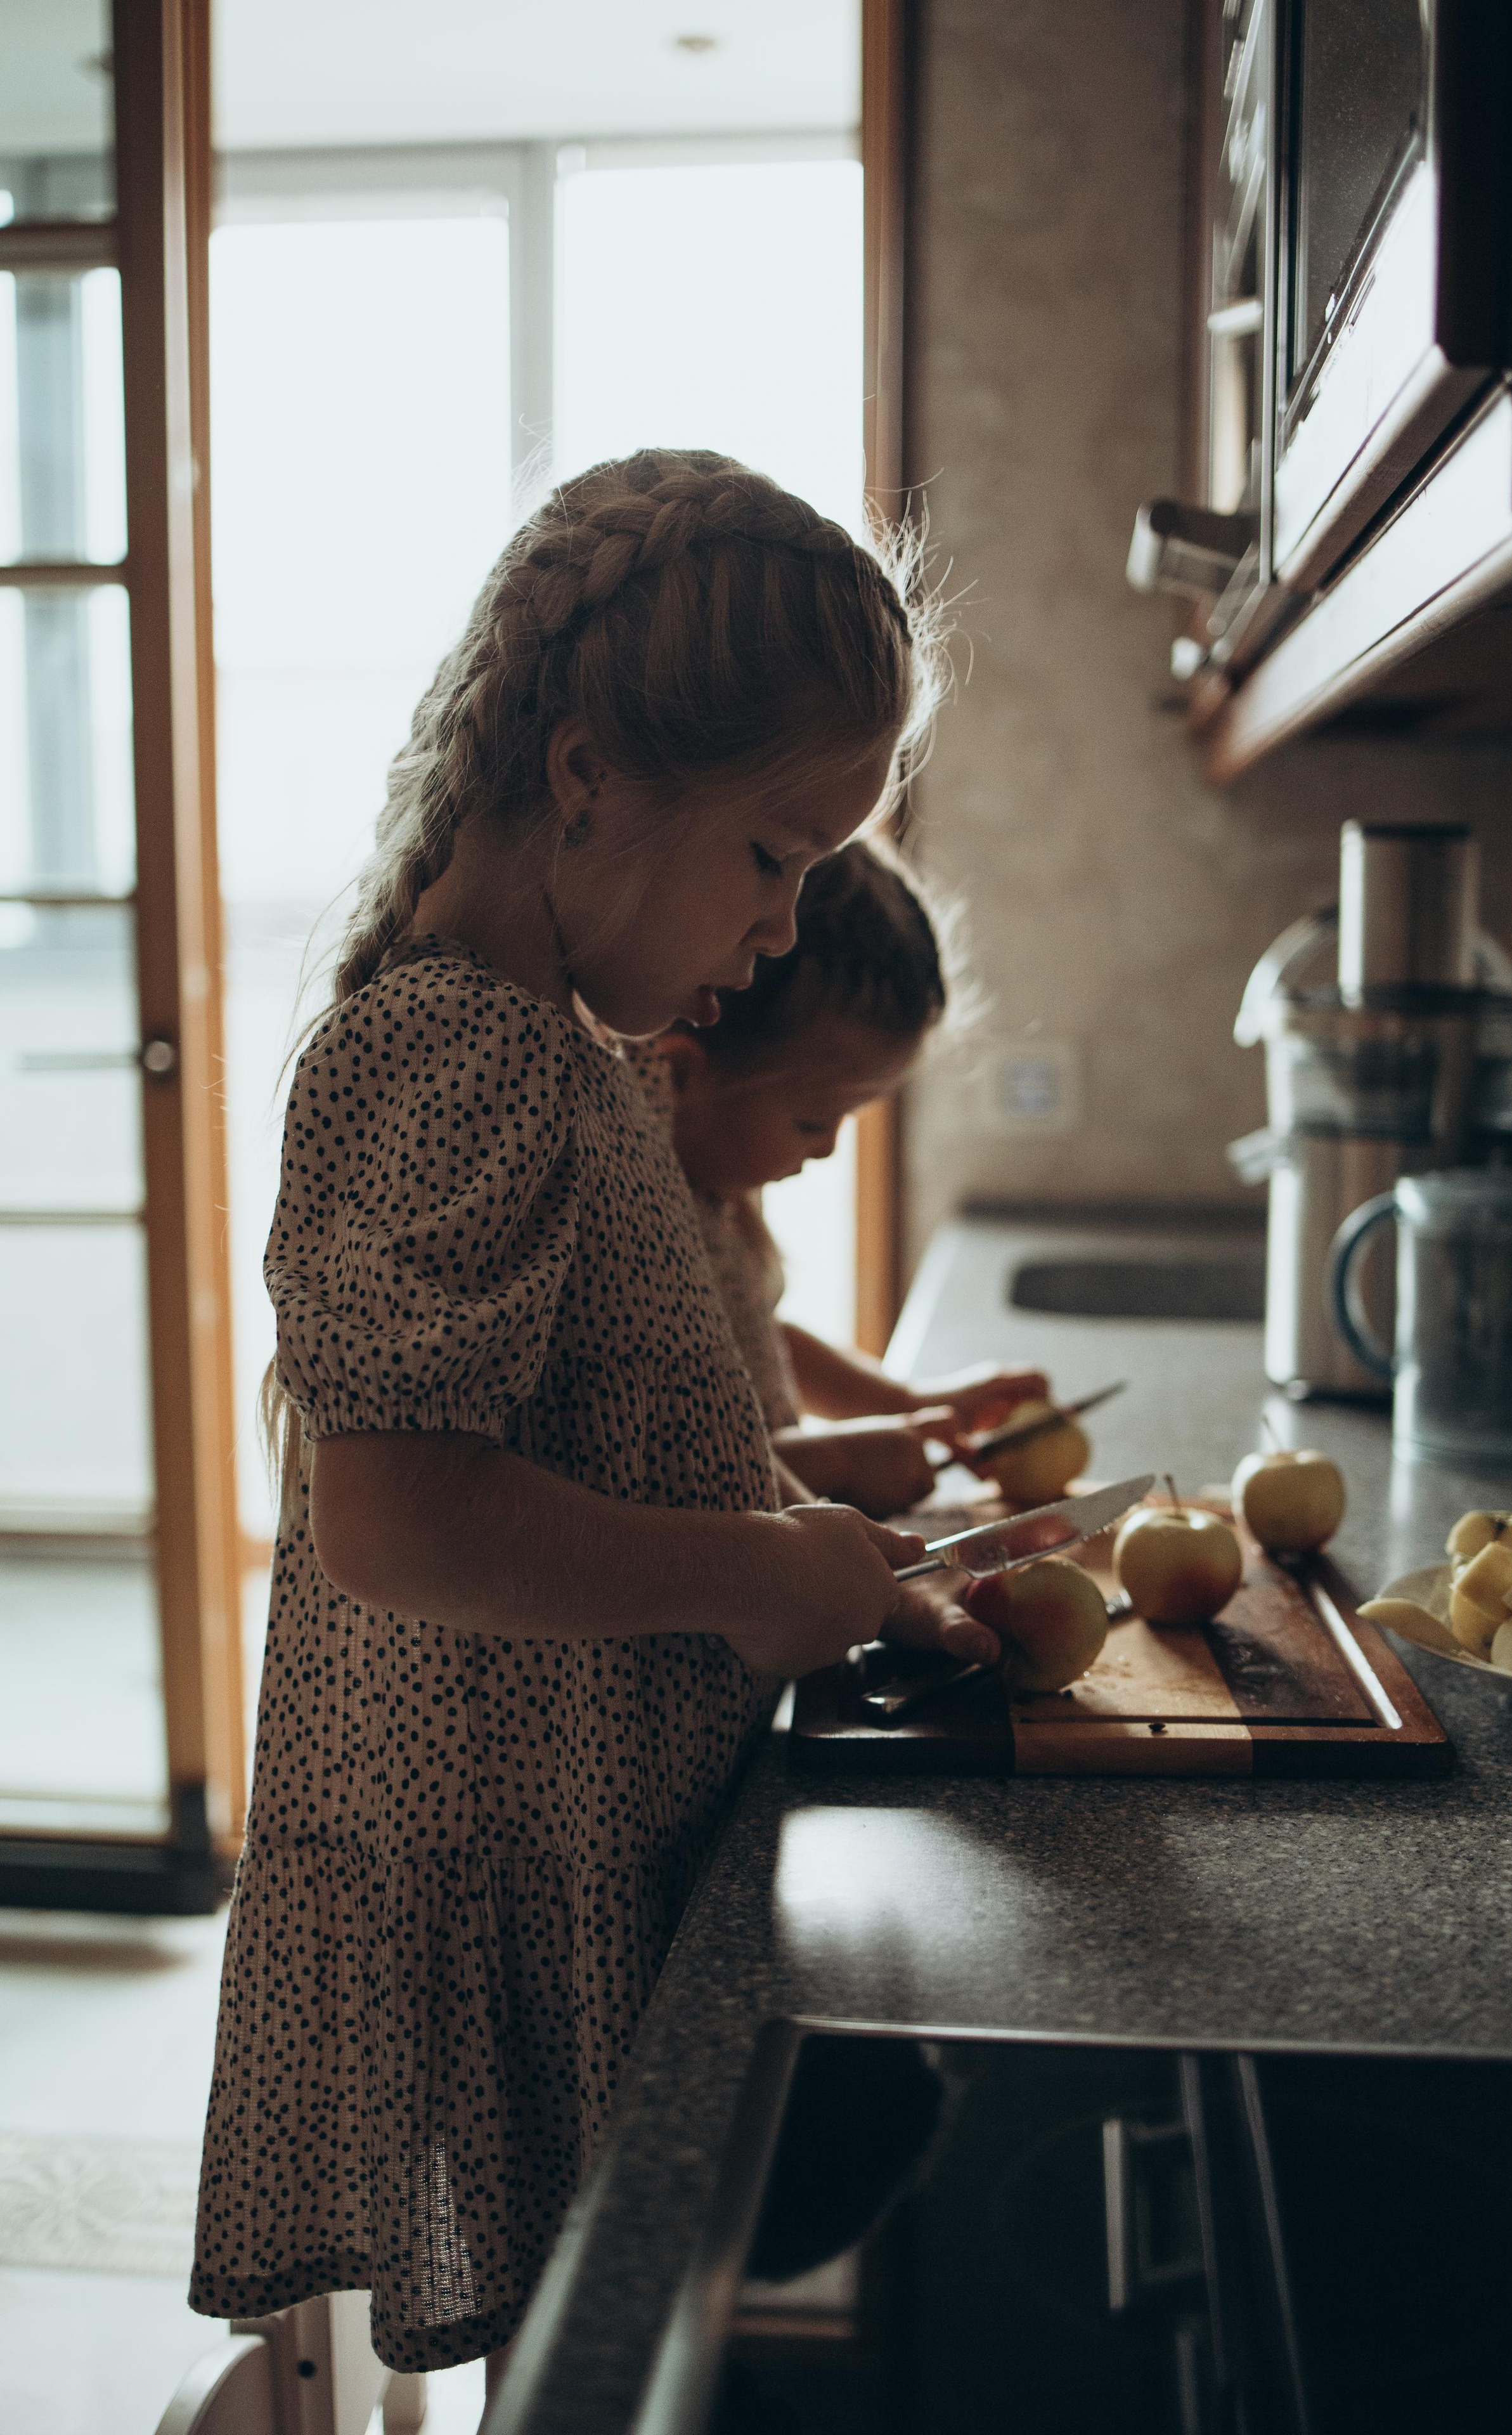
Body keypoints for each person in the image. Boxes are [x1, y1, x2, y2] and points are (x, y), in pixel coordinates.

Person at [187, 451, 1004, 2393]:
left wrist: (820, 1553)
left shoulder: (563, 1051)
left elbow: (612, 1439)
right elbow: (402, 1517)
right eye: (774, 856)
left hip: (580, 1847)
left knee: (593, 2346)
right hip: (507, 1877)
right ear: (584, 780)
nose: (784, 925)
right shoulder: (455, 1049)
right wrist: (752, 1572)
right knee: (574, 2365)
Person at [641, 840, 1050, 1516]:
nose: (831, 1149)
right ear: (683, 1076)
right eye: (812, 1121)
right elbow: (665, 1471)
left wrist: (909, 1403)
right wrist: (833, 1463)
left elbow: (766, 1343)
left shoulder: (715, 1193)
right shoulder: (640, 1229)